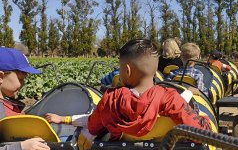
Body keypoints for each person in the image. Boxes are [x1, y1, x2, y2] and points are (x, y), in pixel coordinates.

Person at [55, 39, 210, 141]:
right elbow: (198, 131)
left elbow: (93, 126)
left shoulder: (110, 100)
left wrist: (65, 119)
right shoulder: (169, 98)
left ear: (127, 71)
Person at [0, 47, 51, 150]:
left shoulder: (9, 102)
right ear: (1, 77)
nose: (23, 84)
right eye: (20, 79)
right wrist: (21, 148)